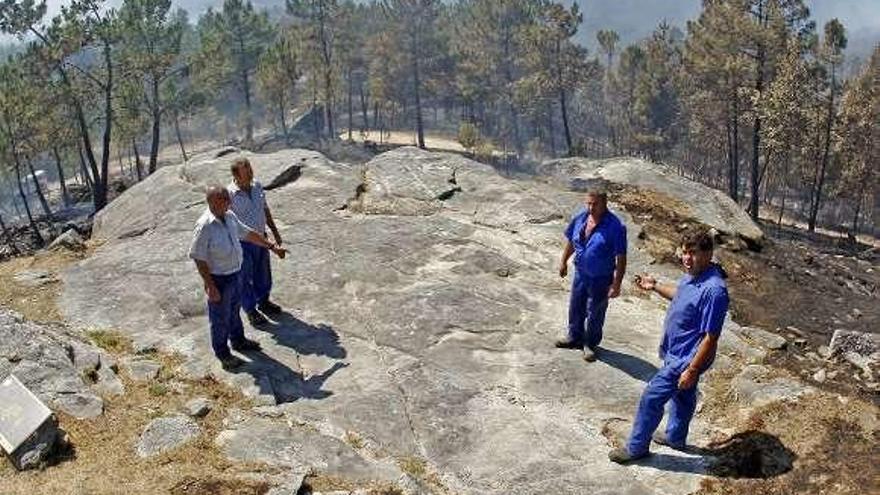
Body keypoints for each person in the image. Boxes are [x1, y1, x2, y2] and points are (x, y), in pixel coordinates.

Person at [609, 229, 729, 464]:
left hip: (687, 358)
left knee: (652, 398)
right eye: (685, 252)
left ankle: (636, 448)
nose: (687, 258)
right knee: (683, 396)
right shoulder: (693, 274)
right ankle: (675, 436)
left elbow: (710, 338)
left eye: (693, 253)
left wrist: (691, 370)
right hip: (677, 351)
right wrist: (654, 286)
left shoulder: (714, 291)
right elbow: (680, 294)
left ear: (708, 254)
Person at [189, 185, 287, 370]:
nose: (228, 203)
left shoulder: (230, 217)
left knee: (234, 311)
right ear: (212, 202)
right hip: (218, 279)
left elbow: (249, 234)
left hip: (235, 274)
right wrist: (210, 285)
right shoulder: (204, 226)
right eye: (224, 200)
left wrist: (271, 247)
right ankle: (223, 353)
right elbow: (198, 257)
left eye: (228, 199)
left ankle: (239, 341)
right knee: (220, 318)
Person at [557, 189, 627, 362]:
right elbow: (571, 241)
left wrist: (616, 284)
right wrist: (563, 261)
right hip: (581, 272)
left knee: (595, 312)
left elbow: (621, 257)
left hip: (601, 277)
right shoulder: (581, 218)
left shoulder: (615, 226)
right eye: (588, 203)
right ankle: (574, 337)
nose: (591, 207)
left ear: (605, 203)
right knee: (576, 306)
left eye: (595, 204)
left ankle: (590, 343)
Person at [228, 157, 284, 326]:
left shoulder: (257, 186)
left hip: (262, 237)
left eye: (250, 169)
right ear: (236, 175)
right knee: (245, 277)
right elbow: (228, 222)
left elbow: (265, 209)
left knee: (263, 272)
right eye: (246, 171)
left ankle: (264, 301)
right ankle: (251, 310)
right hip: (243, 242)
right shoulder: (230, 194)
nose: (251, 173)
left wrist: (274, 231)